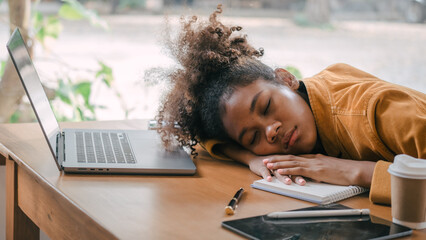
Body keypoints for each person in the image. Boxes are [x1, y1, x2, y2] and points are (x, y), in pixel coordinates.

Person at [156, 5, 426, 205]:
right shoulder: (297, 113)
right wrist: (253, 158)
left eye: (265, 107)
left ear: (286, 79)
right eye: (253, 136)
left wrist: (356, 172)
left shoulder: (378, 110)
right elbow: (207, 136)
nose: (270, 131)